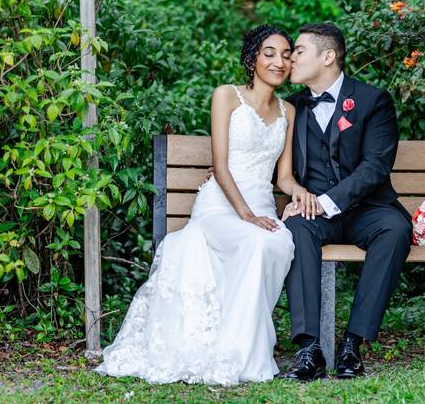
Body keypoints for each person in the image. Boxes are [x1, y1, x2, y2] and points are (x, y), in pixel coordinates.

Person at [95, 24, 312, 385]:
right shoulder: (226, 96)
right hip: (220, 206)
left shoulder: (289, 111)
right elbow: (221, 165)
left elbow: (283, 178)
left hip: (260, 205)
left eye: (286, 55)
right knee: (256, 239)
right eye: (269, 53)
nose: (278, 61)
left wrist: (300, 192)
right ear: (252, 58)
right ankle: (234, 351)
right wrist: (246, 215)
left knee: (279, 241)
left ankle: (242, 348)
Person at [282, 22, 412, 381]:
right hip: (313, 212)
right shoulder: (291, 108)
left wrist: (325, 202)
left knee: (396, 228)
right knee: (296, 226)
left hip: (367, 210)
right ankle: (309, 349)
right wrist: (296, 197)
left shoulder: (372, 101)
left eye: (299, 51)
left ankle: (352, 344)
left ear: (328, 56)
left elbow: (375, 167)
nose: (292, 58)